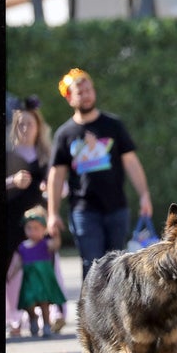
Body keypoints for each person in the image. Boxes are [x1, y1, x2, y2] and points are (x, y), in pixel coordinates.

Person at [47, 67, 153, 281]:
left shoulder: (113, 125)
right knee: (92, 263)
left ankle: (117, 314)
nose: (85, 95)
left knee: (117, 266)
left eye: (88, 90)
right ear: (69, 98)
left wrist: (144, 195)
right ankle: (92, 314)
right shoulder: (65, 134)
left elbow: (131, 162)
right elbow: (56, 175)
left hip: (116, 208)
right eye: (79, 92)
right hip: (83, 210)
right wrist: (52, 213)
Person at [6, 97, 67, 336]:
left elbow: (64, 187)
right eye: (20, 124)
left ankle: (54, 314)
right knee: (13, 269)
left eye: (29, 124)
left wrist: (49, 189)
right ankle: (15, 318)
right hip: (11, 220)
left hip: (40, 221)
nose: (24, 128)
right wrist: (13, 181)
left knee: (47, 266)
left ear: (38, 127)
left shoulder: (47, 156)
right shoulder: (8, 155)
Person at [7, 205, 67, 338]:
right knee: (29, 303)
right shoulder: (22, 247)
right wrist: (10, 275)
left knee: (44, 302)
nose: (32, 231)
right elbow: (17, 264)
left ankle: (46, 325)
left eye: (36, 228)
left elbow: (56, 245)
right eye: (29, 228)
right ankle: (32, 319)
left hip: (43, 279)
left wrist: (56, 233)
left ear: (44, 229)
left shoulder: (45, 244)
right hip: (29, 281)